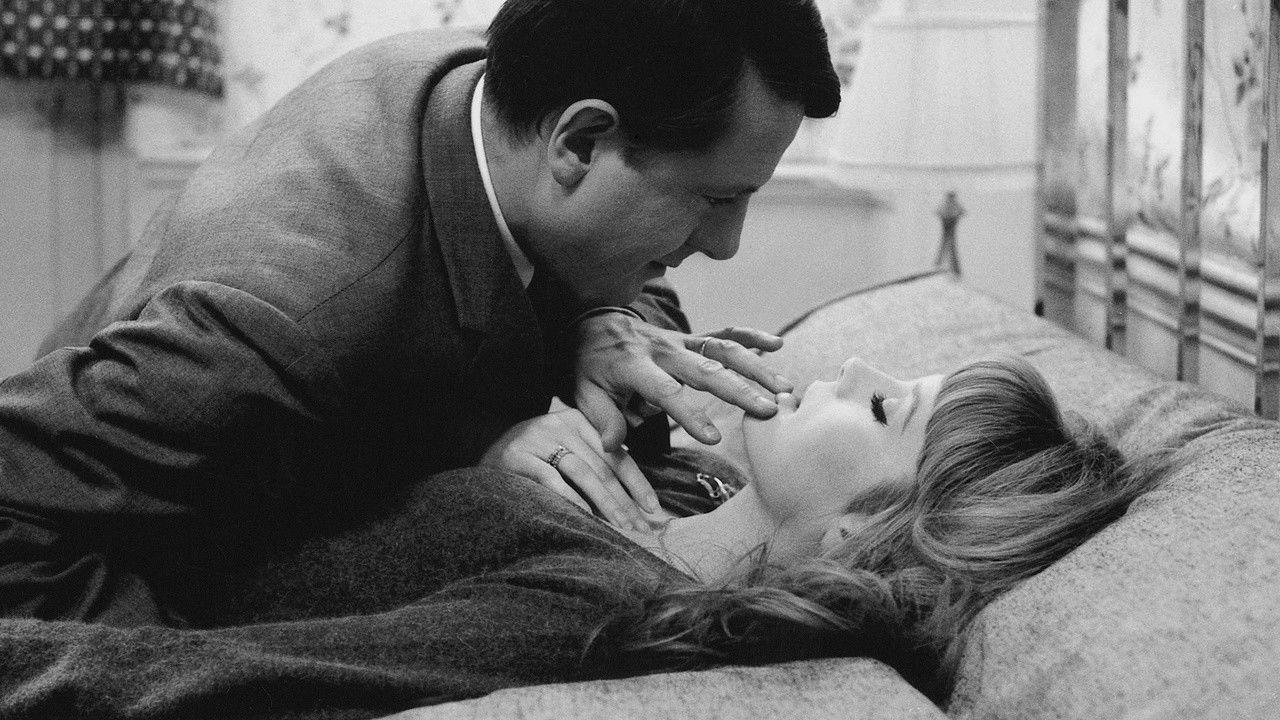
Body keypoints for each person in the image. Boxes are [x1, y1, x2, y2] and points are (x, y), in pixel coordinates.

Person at [0, 0, 840, 627]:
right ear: (582, 143)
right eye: (714, 199)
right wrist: (201, 671)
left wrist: (598, 322)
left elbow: (595, 267)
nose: (726, 244)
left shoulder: (498, 86)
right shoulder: (286, 324)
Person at [0, 353, 1161, 717]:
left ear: (854, 534)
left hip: (74, 587)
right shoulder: (672, 498)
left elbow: (215, 677)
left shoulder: (599, 609)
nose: (850, 368)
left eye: (880, 411)